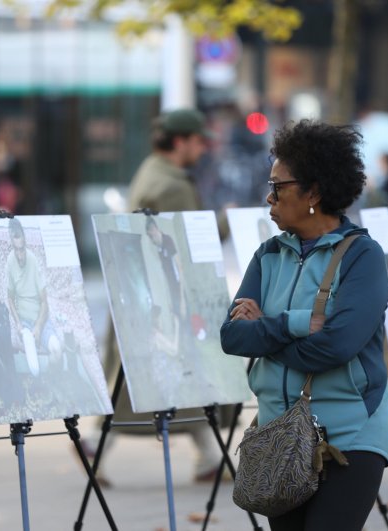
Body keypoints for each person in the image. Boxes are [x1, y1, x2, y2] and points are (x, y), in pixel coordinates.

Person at [220, 120, 388, 530]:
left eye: (279, 187)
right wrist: (301, 322)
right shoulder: (269, 255)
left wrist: (267, 332)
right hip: (279, 438)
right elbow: (232, 336)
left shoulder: (363, 257)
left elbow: (337, 346)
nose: (269, 196)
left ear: (313, 192)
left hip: (349, 438)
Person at [93, 108, 224, 485]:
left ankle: (208, 456)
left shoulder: (152, 170)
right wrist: (224, 224)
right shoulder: (173, 185)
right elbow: (183, 240)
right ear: (180, 141)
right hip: (166, 299)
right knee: (160, 378)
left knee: (179, 378)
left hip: (148, 295)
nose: (203, 149)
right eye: (199, 141)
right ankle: (92, 445)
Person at [5, 218, 59, 359]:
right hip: (24, 323)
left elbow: (44, 302)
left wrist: (39, 326)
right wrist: (17, 323)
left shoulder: (33, 260)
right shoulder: (10, 261)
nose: (19, 256)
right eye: (16, 250)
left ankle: (50, 380)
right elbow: (10, 298)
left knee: (57, 349)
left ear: (25, 243)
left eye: (22, 249)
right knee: (31, 353)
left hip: (40, 319)